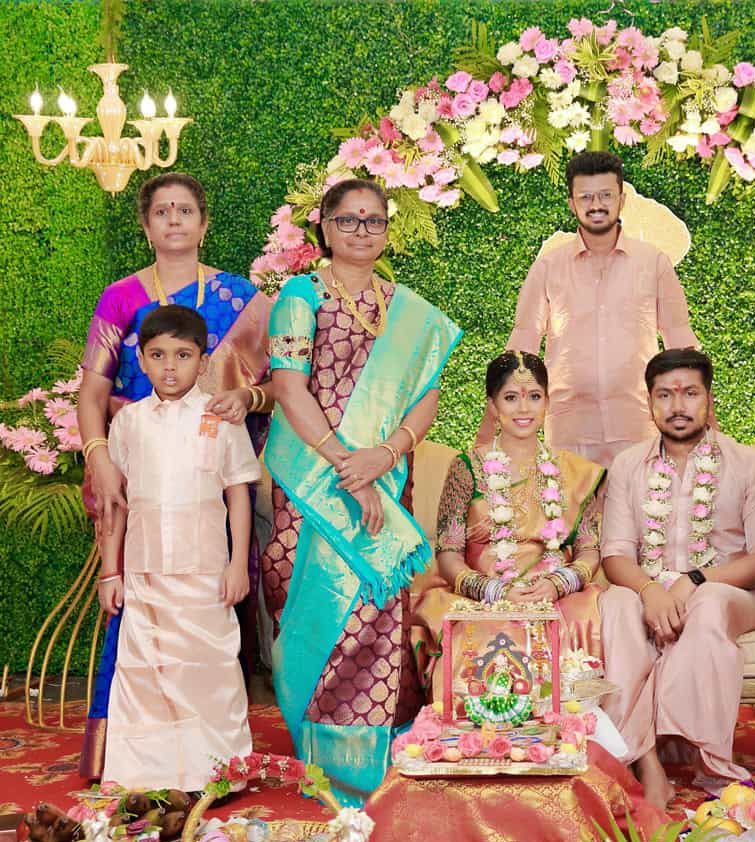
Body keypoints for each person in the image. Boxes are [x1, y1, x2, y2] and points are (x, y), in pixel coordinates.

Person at [263, 178, 461, 805]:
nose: (361, 232)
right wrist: (347, 465)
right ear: (323, 226)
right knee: (316, 610)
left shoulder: (408, 310)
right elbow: (290, 388)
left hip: (383, 474)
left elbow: (425, 391)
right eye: (348, 221)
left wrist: (387, 453)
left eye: (373, 221)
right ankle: (323, 760)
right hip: (314, 484)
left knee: (377, 614)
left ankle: (374, 758)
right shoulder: (300, 297)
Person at [78, 172, 272, 780]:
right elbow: (93, 391)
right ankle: (134, 759)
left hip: (213, 468)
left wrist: (251, 400)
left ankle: (207, 759)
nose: (174, 220)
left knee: (208, 638)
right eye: (161, 211)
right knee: (137, 627)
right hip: (134, 467)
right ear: (146, 225)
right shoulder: (121, 299)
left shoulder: (241, 297)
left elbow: (280, 380)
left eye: (186, 210)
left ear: (203, 221)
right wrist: (99, 454)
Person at [599, 348, 755, 809]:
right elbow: (614, 554)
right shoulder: (627, 465)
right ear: (649, 403)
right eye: (664, 395)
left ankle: (710, 759)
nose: (677, 405)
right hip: (652, 593)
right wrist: (648, 591)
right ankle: (645, 762)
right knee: (615, 605)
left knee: (707, 604)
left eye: (689, 393)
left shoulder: (747, 464)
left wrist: (696, 580)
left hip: (730, 596)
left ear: (709, 400)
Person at [95, 304, 257, 791]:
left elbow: (238, 494)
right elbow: (117, 504)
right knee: (146, 672)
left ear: (203, 362)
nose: (170, 367)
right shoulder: (128, 423)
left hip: (205, 572)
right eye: (158, 356)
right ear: (141, 361)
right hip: (145, 575)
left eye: (183, 355)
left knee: (210, 673)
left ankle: (216, 773)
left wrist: (236, 565)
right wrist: (110, 570)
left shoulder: (221, 417)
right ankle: (146, 774)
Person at [413, 351, 606, 698]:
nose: (524, 409)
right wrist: (493, 590)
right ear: (492, 405)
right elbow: (447, 553)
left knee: (586, 619)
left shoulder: (574, 471)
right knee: (476, 632)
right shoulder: (467, 467)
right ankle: (484, 740)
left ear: (547, 401)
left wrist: (559, 583)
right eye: (511, 397)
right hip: (485, 594)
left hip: (554, 592)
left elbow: (590, 549)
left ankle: (569, 736)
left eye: (534, 397)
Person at [501, 150, 699, 467]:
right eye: (586, 197)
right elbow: (523, 342)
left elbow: (681, 344)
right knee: (571, 517)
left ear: (621, 200)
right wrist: (500, 424)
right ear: (572, 204)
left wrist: (705, 426)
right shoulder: (548, 267)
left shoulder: (653, 263)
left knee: (644, 515)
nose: (596, 205)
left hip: (638, 425)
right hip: (568, 428)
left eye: (606, 195)